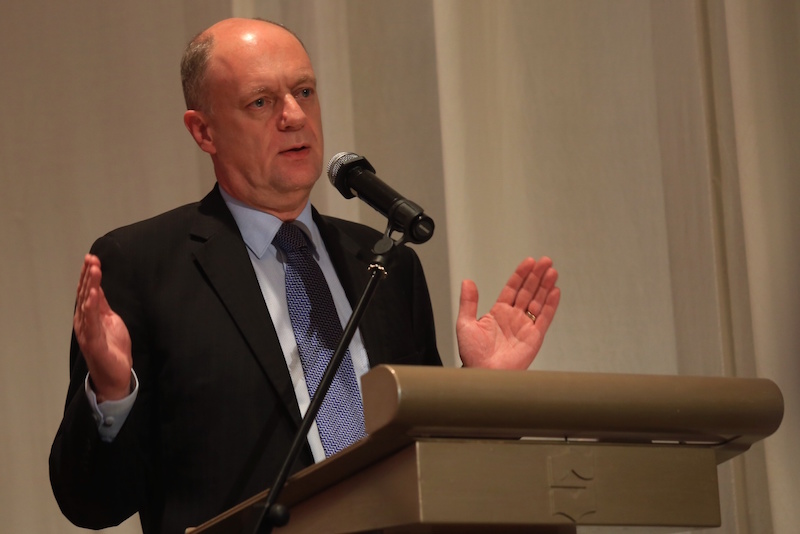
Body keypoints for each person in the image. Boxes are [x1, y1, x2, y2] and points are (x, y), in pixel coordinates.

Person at [49, 18, 560, 534]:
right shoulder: (142, 265)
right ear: (204, 131)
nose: (294, 116)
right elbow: (90, 503)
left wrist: (483, 393)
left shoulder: (386, 265)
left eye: (304, 92)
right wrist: (112, 392)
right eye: (261, 102)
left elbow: (432, 468)